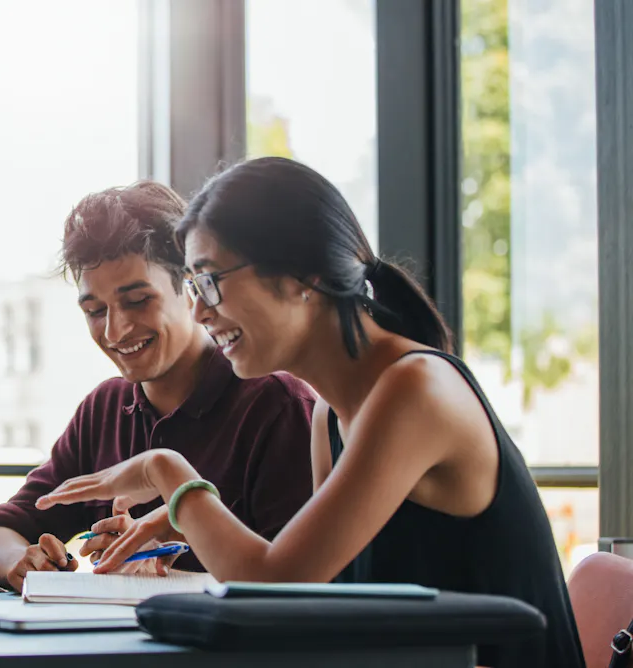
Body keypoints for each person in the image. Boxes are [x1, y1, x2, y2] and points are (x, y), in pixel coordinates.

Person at [35, 158, 583, 668]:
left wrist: (168, 474)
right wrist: (183, 523)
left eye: (210, 282)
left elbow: (273, 586)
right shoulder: (329, 416)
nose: (199, 311)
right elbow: (310, 599)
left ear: (303, 277)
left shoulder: (415, 389)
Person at [0, 180, 317, 592]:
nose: (114, 331)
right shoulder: (104, 409)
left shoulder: (277, 405)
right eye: (95, 311)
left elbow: (296, 585)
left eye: (137, 301)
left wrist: (170, 558)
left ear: (191, 288)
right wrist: (20, 561)